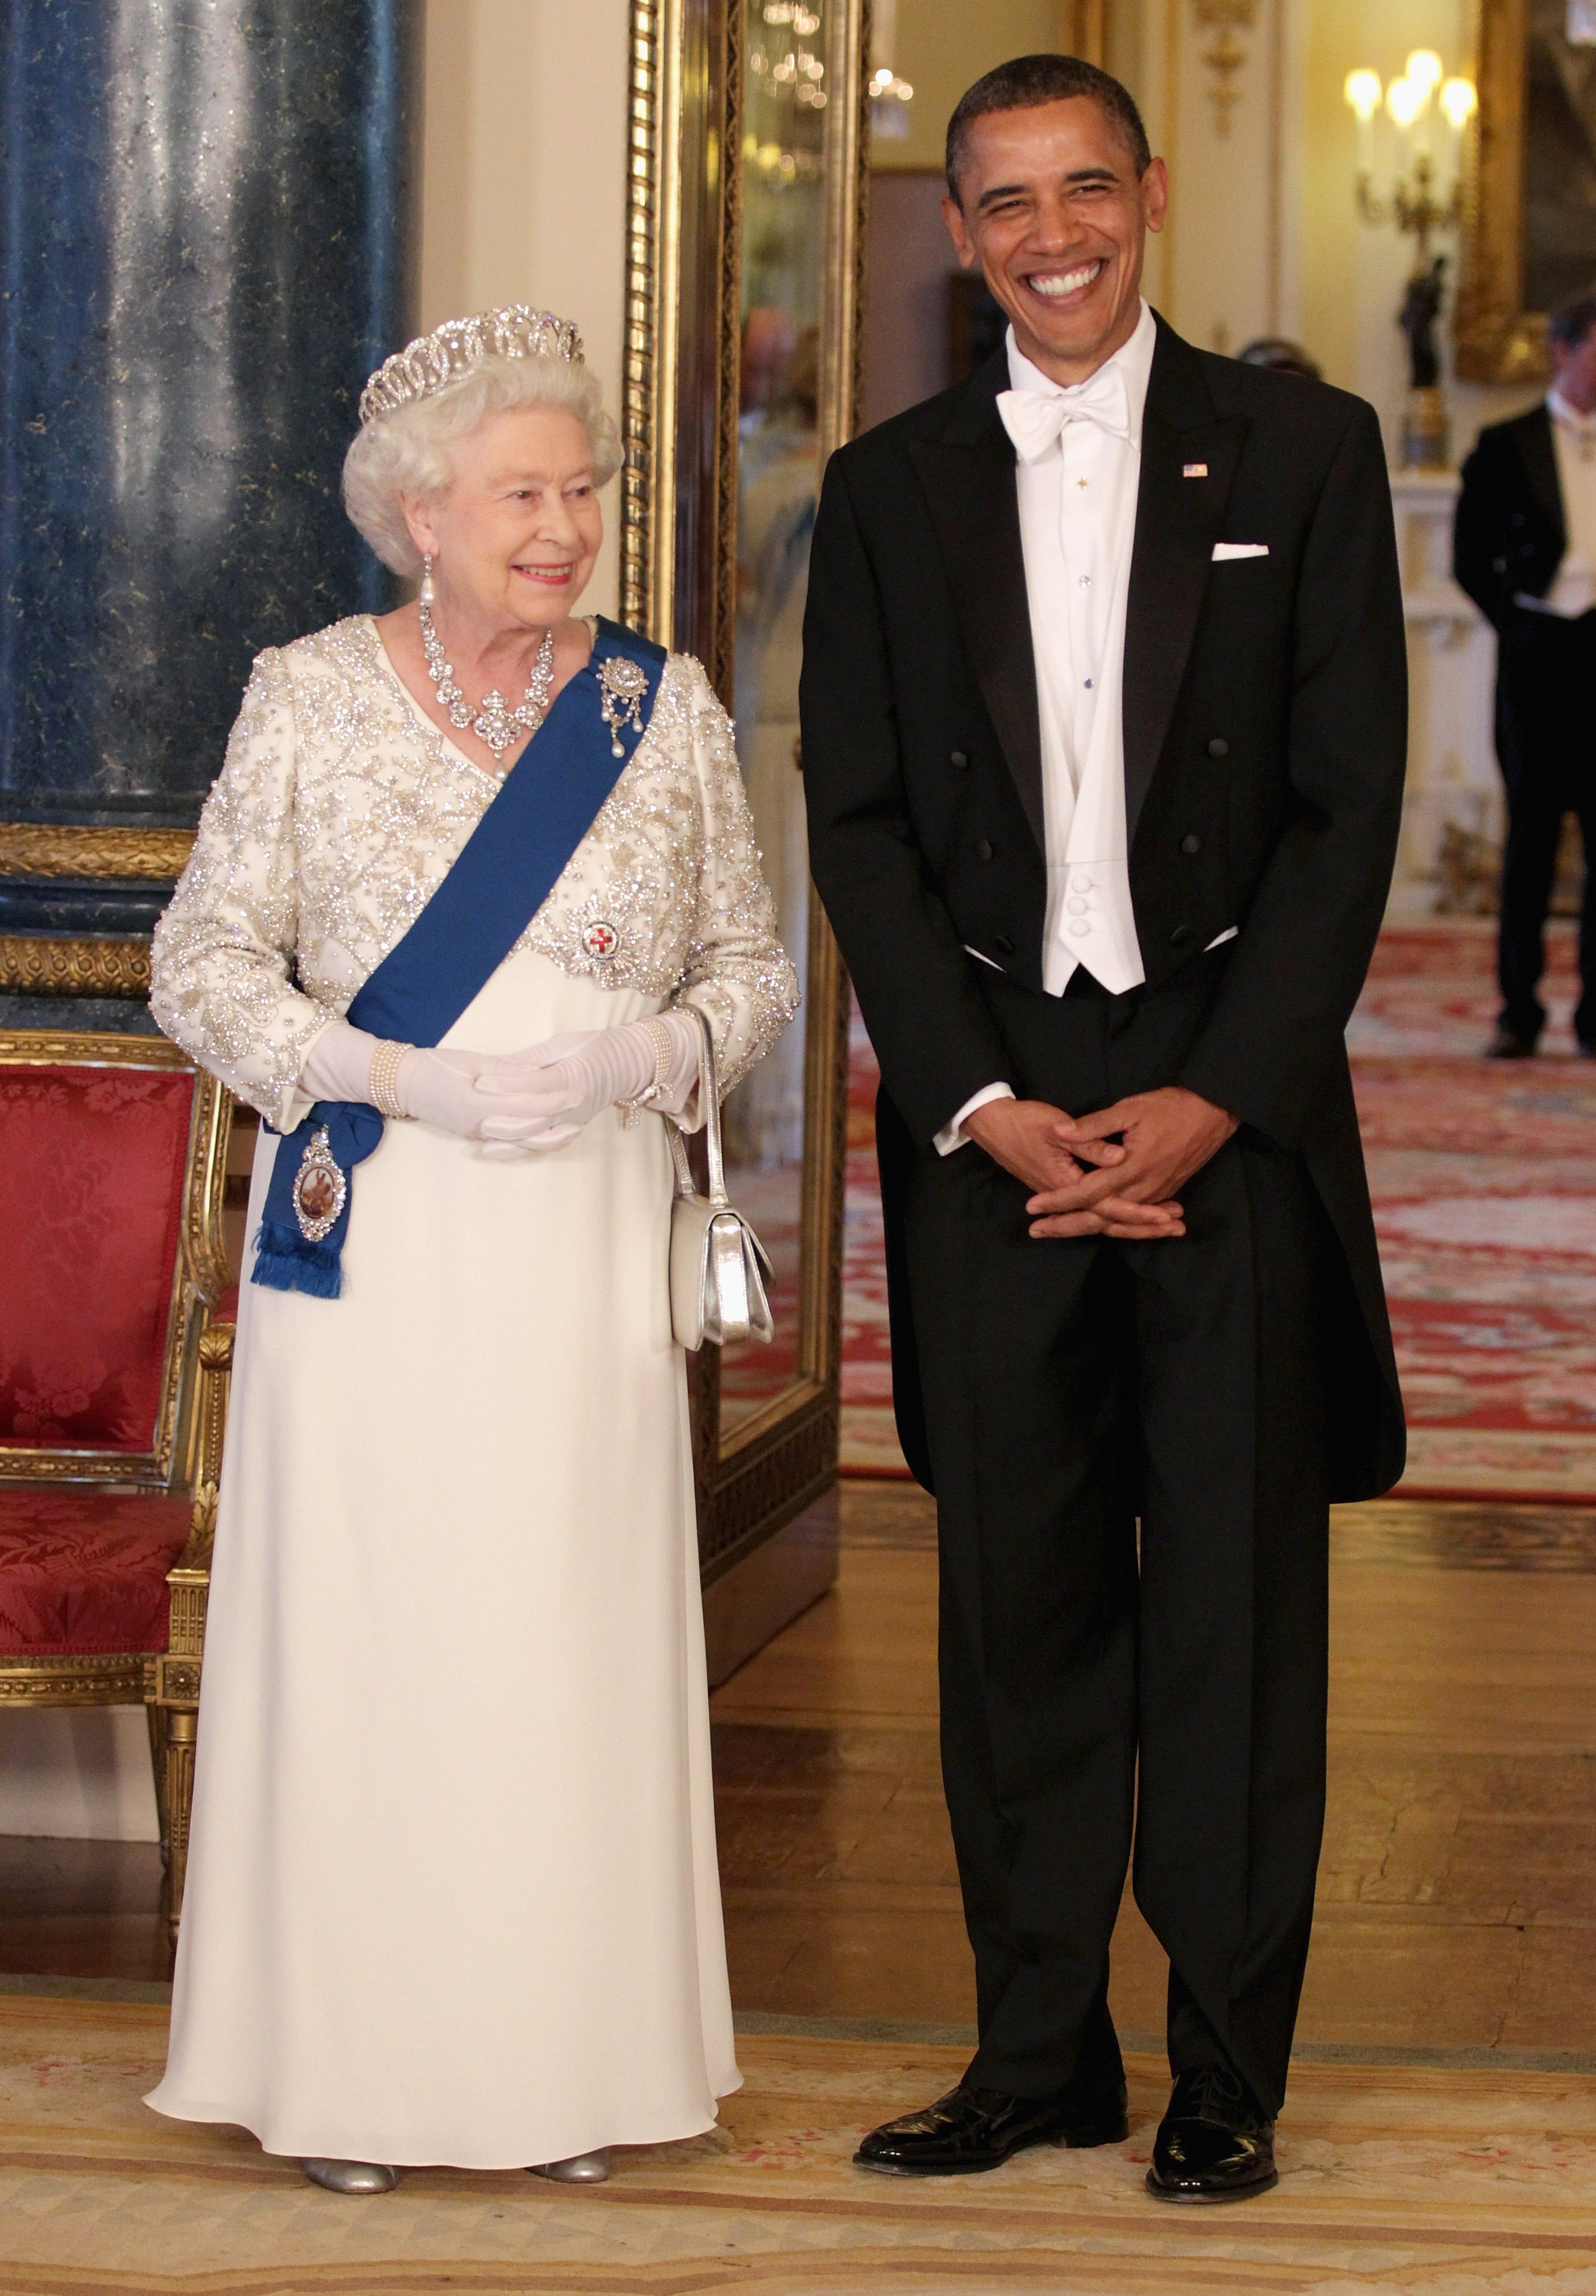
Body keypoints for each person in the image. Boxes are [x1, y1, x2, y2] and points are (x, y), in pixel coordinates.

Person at [801, 56, 1406, 2204]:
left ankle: (1222, 2069)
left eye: (1084, 189)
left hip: (1223, 1098)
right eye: (1003, 203)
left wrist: (1215, 1092)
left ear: (1147, 194)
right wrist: (977, 1100)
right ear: (959, 231)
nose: (1050, 233)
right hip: (993, 1108)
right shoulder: (880, 492)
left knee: (1235, 1610)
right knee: (1018, 1607)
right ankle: (1034, 2047)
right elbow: (858, 826)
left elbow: (1349, 812)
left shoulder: (1306, 451)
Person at [146, 306, 798, 2191]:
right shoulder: (309, 691)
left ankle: (566, 2066)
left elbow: (747, 969)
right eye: (528, 492)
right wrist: (370, 1072)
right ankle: (354, 2076)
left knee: (554, 1644)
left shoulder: (651, 708)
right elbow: (200, 962)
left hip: (580, 1240)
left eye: (583, 490)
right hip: (380, 1236)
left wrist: (654, 1049)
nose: (569, 525)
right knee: (380, 1641)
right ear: (421, 510)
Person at [1455, 286, 1596, 1057]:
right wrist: (1519, 620)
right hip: (1539, 657)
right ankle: (1520, 1012)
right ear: (1563, 351)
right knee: (1531, 844)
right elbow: (1470, 557)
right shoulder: (1506, 444)